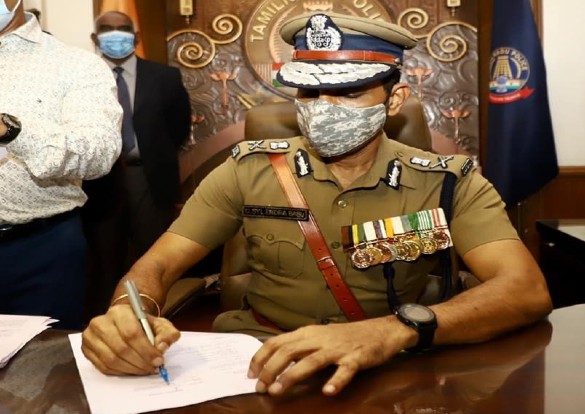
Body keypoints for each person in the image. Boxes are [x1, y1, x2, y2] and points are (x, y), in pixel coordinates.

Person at [81, 12, 552, 397]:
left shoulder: (449, 180)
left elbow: (525, 291)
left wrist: (391, 331)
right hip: (261, 360)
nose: (323, 106)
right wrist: (128, 314)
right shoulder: (247, 169)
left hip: (393, 362)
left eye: (348, 91)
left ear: (395, 100)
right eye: (309, 91)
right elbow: (159, 265)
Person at [0, 0, 122, 329]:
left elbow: (98, 152)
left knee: (40, 359)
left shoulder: (75, 65)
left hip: (37, 251)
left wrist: (11, 130)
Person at [82, 11, 192, 317]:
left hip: (150, 178)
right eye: (107, 29)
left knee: (151, 254)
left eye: (123, 28)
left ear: (136, 36)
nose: (115, 34)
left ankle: (153, 319)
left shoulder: (165, 77)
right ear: (95, 38)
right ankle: (104, 322)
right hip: (98, 182)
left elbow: (179, 128)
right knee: (103, 257)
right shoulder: (82, 78)